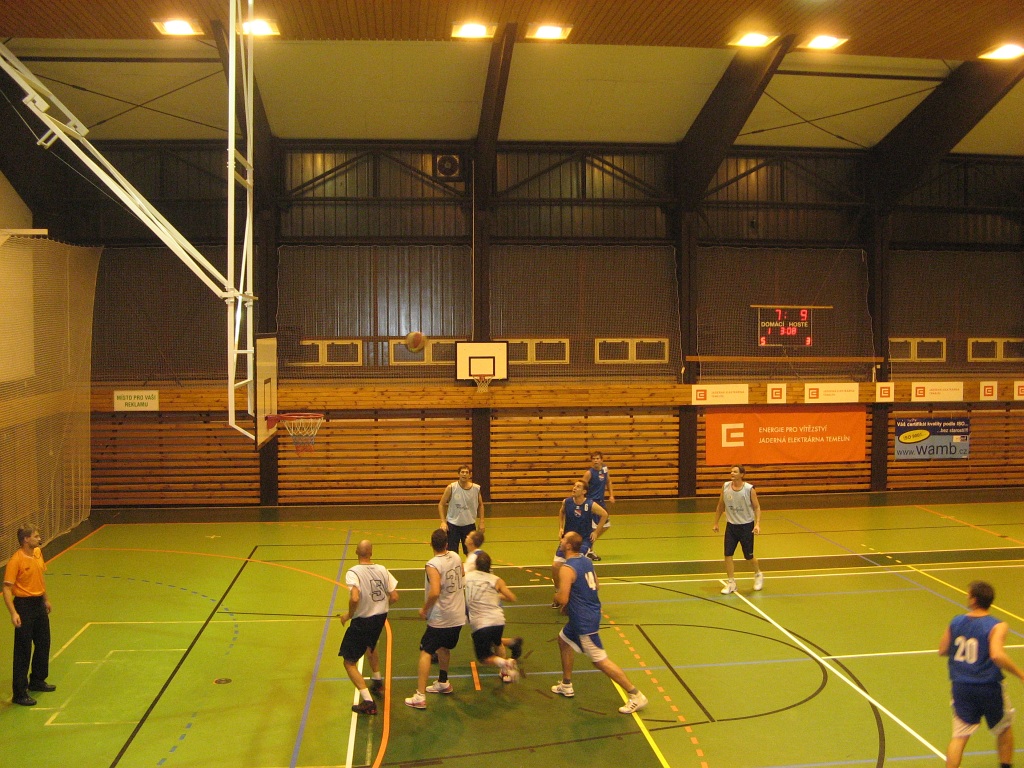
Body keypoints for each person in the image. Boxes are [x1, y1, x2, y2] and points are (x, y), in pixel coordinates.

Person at [551, 531, 648, 714]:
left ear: (569, 545)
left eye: (564, 539)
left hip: (583, 620)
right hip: (589, 613)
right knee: (563, 640)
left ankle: (635, 694)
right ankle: (566, 684)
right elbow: (597, 585)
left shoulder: (567, 568)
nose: (561, 540)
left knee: (600, 660)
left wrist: (557, 596)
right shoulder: (586, 561)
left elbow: (562, 598)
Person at [939, 580, 1024, 768]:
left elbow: (942, 649)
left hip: (961, 687)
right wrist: (1020, 674)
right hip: (989, 687)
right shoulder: (997, 626)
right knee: (1003, 728)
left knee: (959, 736)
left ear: (974, 600)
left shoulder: (956, 621)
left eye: (968, 594)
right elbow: (997, 654)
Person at [405, 528, 467, 710]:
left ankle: (420, 696)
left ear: (431, 544)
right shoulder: (456, 556)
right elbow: (462, 574)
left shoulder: (432, 565)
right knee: (443, 647)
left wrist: (425, 609)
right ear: (447, 544)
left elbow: (434, 592)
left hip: (441, 617)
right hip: (457, 616)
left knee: (426, 651)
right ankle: (443, 682)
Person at [338, 539, 399, 715]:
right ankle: (377, 680)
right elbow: (394, 596)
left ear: (356, 552)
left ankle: (368, 701)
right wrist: (379, 607)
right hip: (380, 618)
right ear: (371, 553)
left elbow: (355, 598)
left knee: (349, 662)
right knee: (370, 645)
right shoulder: (382, 569)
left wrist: (349, 615)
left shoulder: (353, 572)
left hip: (363, 621)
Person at [3, 524, 55, 707]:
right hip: (24, 606)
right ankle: (19, 693)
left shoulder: (38, 553)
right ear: (26, 539)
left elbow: (40, 577)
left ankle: (37, 680)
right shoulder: (15, 560)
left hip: (38, 603)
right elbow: (7, 588)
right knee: (23, 650)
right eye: (36, 536)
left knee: (43, 642)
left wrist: (45, 599)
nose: (39, 539)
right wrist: (14, 613)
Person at [464, 551, 523, 683]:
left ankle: (505, 663)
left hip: (481, 623)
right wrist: (495, 596)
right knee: (497, 643)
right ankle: (505, 673)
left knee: (484, 658)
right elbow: (512, 597)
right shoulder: (496, 580)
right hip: (498, 621)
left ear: (476, 565)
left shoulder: (467, 577)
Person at [552, 481, 608, 601]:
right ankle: (558, 591)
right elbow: (561, 512)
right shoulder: (567, 502)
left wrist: (596, 532)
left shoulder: (590, 504)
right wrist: (561, 528)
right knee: (556, 565)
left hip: (583, 541)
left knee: (576, 564)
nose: (574, 488)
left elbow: (604, 514)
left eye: (578, 487)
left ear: (584, 491)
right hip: (568, 539)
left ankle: (584, 591)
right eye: (574, 486)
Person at [712, 465, 763, 595]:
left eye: (735, 471)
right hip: (731, 526)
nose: (732, 473)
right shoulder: (726, 487)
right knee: (728, 554)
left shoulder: (749, 489)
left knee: (749, 556)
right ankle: (731, 582)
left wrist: (757, 524)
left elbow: (757, 507)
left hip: (746, 526)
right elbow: (720, 505)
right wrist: (716, 522)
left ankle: (758, 574)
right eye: (731, 471)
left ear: (742, 474)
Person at [438, 465, 485, 556]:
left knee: (471, 553)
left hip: (469, 525)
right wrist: (443, 522)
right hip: (453, 525)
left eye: (466, 472)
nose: (464, 474)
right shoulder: (451, 487)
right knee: (451, 553)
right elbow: (441, 504)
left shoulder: (476, 488)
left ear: (470, 475)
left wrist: (482, 521)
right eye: (462, 472)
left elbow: (481, 505)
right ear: (458, 474)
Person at [582, 451, 615, 562]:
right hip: (592, 503)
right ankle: (589, 550)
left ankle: (588, 543)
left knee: (605, 525)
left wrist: (611, 495)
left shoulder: (605, 469)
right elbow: (582, 486)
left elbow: (608, 481)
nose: (595, 461)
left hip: (601, 502)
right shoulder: (589, 473)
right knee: (593, 527)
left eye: (597, 458)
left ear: (601, 460)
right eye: (594, 459)